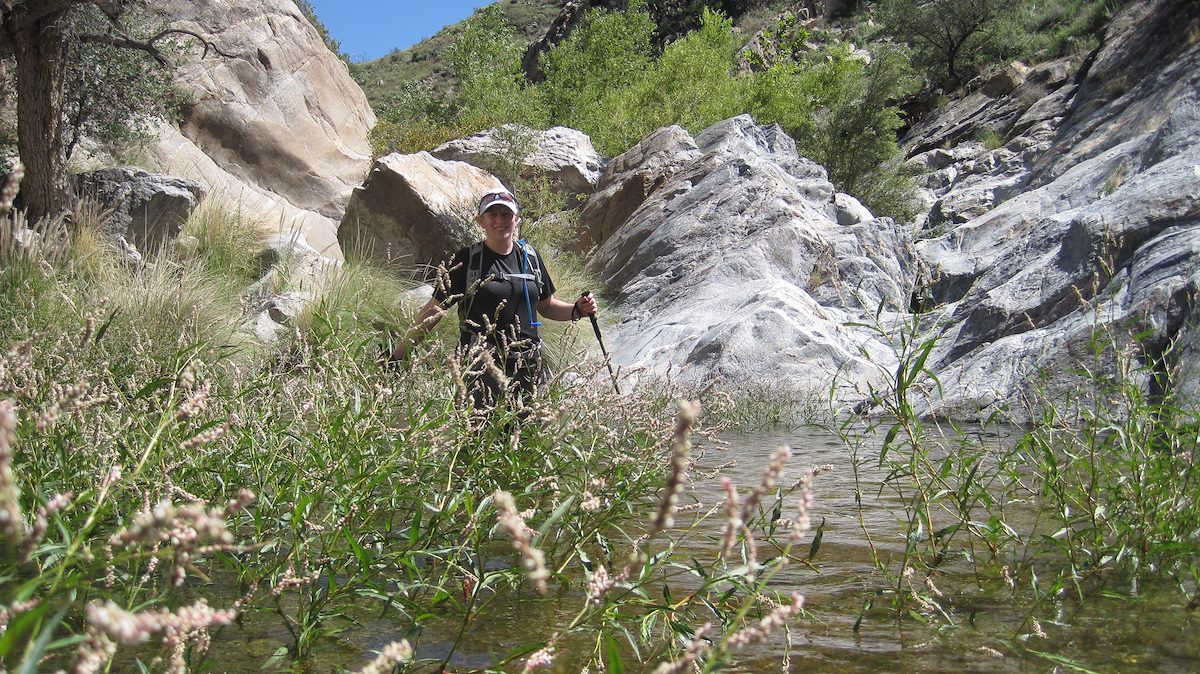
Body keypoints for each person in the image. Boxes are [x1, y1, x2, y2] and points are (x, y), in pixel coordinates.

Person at [390, 188, 598, 407]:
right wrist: (399, 354)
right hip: (480, 365)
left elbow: (546, 306)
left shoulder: (530, 258)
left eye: (506, 214)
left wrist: (577, 309)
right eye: (493, 214)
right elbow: (434, 309)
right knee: (481, 436)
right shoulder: (467, 260)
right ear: (481, 221)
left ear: (516, 219)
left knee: (527, 434)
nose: (500, 220)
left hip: (526, 364)